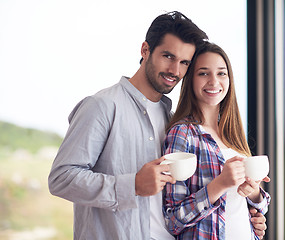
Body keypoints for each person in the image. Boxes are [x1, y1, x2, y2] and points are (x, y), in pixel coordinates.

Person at [48, 11, 208, 240]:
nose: (176, 71)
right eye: (168, 56)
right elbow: (61, 179)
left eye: (184, 63)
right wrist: (132, 185)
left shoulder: (173, 121)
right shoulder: (102, 106)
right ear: (145, 50)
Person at [162, 42, 271, 239]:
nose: (214, 81)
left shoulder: (233, 135)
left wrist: (254, 193)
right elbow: (173, 220)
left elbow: (254, 207)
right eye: (203, 73)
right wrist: (220, 184)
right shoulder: (182, 133)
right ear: (190, 80)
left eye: (221, 73)